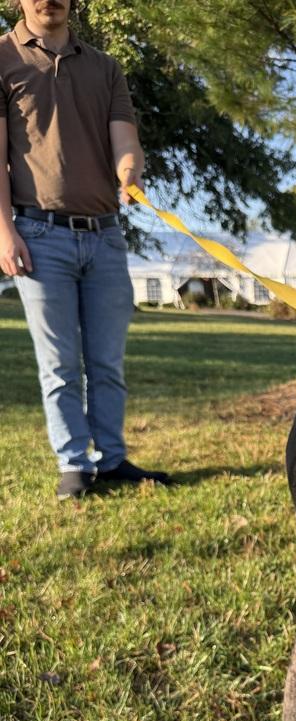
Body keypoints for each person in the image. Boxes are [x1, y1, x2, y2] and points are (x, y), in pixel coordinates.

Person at [0, 0, 169, 499]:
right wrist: (4, 231)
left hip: (105, 234)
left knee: (106, 362)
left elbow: (125, 140)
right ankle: (73, 463)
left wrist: (129, 171)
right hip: (38, 234)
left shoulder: (105, 66)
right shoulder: (2, 58)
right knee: (59, 364)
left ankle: (113, 459)